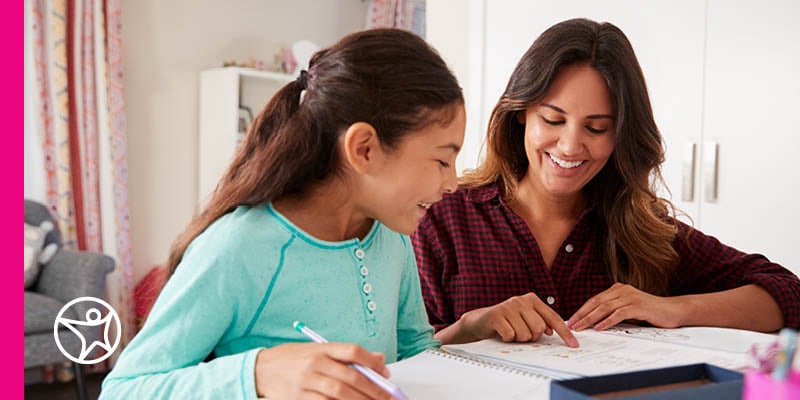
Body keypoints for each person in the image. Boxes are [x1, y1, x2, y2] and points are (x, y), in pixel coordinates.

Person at [101, 28, 465, 400]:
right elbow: (123, 390)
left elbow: (415, 353)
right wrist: (258, 374)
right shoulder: (239, 247)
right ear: (364, 149)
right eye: (442, 160)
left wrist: (467, 332)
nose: (452, 182)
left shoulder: (391, 237)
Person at [411, 18, 800, 348]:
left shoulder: (643, 231)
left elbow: (788, 293)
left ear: (620, 137)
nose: (569, 145)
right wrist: (471, 328)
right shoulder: (440, 220)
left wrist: (672, 309)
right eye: (553, 120)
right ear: (520, 114)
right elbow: (398, 360)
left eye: (596, 128)